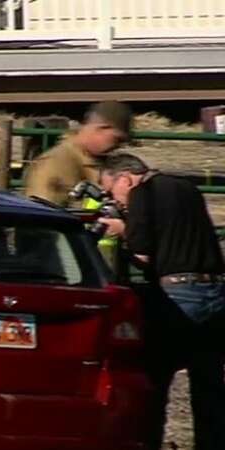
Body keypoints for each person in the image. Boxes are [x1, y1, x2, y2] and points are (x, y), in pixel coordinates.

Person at [98, 153, 225, 450]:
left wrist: (122, 230)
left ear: (125, 179)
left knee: (156, 377)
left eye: (111, 190)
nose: (114, 199)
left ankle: (149, 441)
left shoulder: (142, 192)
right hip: (216, 290)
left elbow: (143, 255)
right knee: (209, 382)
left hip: (179, 295)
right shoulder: (185, 187)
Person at [24, 101, 133, 207]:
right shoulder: (56, 163)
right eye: (117, 139)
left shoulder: (97, 160)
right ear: (101, 128)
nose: (118, 146)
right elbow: (44, 212)